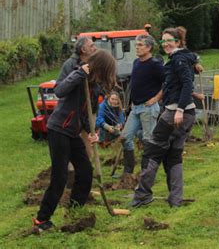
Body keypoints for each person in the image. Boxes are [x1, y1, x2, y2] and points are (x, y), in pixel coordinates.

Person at [32, 50, 117, 233]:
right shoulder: (78, 75)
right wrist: (80, 74)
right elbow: (60, 90)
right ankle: (42, 219)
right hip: (59, 130)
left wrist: (91, 131)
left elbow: (85, 112)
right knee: (60, 176)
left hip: (73, 132)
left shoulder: (94, 86)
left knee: (86, 170)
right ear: (99, 67)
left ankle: (75, 208)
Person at [129, 26, 197, 208]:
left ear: (178, 42)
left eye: (169, 41)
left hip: (176, 113)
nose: (166, 44)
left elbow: (186, 84)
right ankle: (176, 199)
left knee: (152, 152)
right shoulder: (183, 58)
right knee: (173, 155)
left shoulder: (179, 60)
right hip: (187, 113)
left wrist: (180, 109)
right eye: (163, 41)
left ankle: (142, 195)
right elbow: (185, 78)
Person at [120, 34, 165, 176]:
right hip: (136, 108)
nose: (137, 48)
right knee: (125, 137)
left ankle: (146, 172)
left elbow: (168, 83)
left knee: (148, 141)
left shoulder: (155, 65)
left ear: (149, 47)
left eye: (140, 45)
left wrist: (156, 98)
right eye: (136, 45)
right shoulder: (136, 63)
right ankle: (128, 171)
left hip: (148, 108)